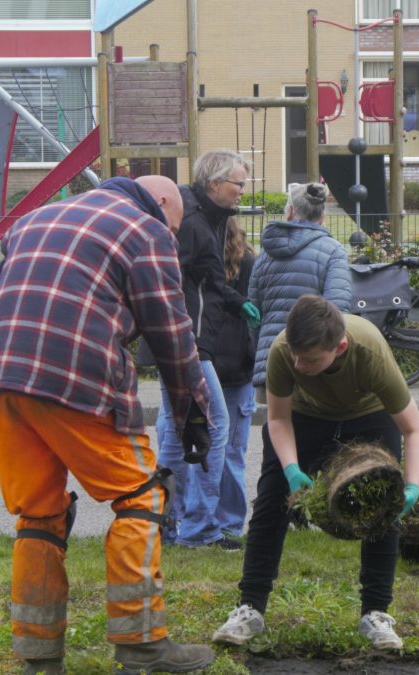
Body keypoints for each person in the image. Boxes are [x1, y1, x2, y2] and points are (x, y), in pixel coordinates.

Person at [0, 175, 217, 674]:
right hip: (77, 377)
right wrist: (193, 411)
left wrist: (10, 371)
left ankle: (39, 658)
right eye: (174, 226)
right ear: (164, 203)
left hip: (3, 380)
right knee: (142, 497)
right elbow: (171, 332)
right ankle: (142, 643)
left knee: (39, 516)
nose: (172, 236)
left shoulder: (31, 220)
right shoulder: (145, 229)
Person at [212, 295, 419, 650]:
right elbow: (278, 419)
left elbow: (414, 429)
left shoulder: (369, 351)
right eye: (296, 355)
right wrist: (293, 470)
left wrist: (412, 486)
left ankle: (375, 613)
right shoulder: (284, 351)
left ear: (339, 346)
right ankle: (249, 607)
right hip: (306, 415)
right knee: (270, 501)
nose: (299, 364)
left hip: (367, 413)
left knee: (383, 508)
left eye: (309, 359)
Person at [155, 149, 258, 550]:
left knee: (177, 433)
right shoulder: (194, 223)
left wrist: (237, 302)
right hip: (190, 345)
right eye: (238, 185)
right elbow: (171, 283)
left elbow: (212, 280)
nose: (242, 193)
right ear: (215, 184)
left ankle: (162, 523)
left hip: (182, 343)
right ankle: (200, 529)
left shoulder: (209, 218)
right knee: (215, 426)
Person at [248, 181, 352, 403]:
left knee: (277, 428)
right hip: (314, 361)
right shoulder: (333, 251)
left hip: (271, 360)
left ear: (290, 212)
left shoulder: (265, 254)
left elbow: (253, 315)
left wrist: (261, 352)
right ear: (323, 215)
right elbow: (338, 309)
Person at [214, 217, 257, 538]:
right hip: (240, 366)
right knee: (233, 453)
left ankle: (193, 516)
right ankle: (230, 523)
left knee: (198, 447)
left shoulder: (197, 261)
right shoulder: (250, 261)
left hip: (206, 362)